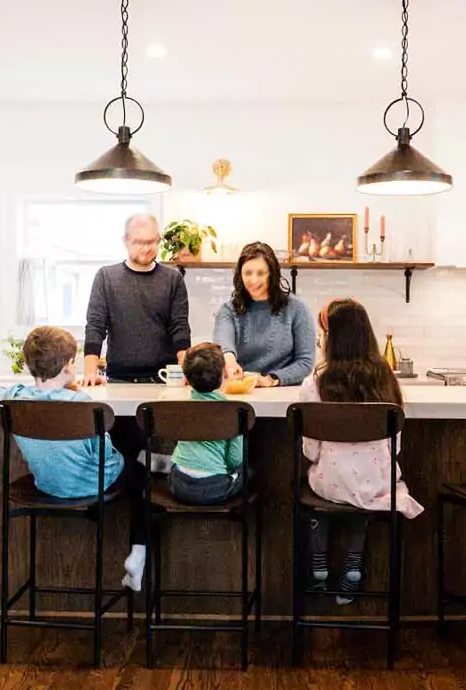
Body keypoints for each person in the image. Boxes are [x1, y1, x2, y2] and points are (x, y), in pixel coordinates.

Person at [0, 326, 149, 591]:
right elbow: (105, 455)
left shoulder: (13, 400)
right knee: (141, 471)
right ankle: (138, 551)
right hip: (91, 487)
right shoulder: (82, 403)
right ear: (68, 365)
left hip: (46, 486)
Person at [296, 298, 423, 604]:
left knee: (325, 489)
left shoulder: (314, 383)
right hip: (377, 483)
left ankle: (319, 570)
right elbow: (396, 446)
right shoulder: (387, 381)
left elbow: (310, 450)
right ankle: (353, 568)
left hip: (330, 483)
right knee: (364, 494)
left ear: (331, 339)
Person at [82, 212, 190, 385]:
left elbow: (180, 328)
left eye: (151, 242)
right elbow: (95, 326)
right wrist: (90, 372)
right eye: (139, 242)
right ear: (125, 241)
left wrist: (186, 370)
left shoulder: (173, 279)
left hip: (163, 378)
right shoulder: (106, 277)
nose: (146, 248)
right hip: (118, 378)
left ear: (159, 240)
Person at [211, 241, 316, 388]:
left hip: (284, 394)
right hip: (241, 392)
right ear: (240, 275)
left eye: (261, 273)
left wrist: (272, 379)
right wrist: (230, 363)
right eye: (248, 273)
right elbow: (224, 347)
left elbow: (305, 362)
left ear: (272, 274)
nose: (254, 280)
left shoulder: (297, 308)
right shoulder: (228, 311)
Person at [166, 343, 248, 505]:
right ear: (222, 375)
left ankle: (165, 463)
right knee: (247, 471)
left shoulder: (179, 406)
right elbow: (235, 459)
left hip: (178, 484)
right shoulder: (232, 411)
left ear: (187, 377)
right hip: (214, 487)